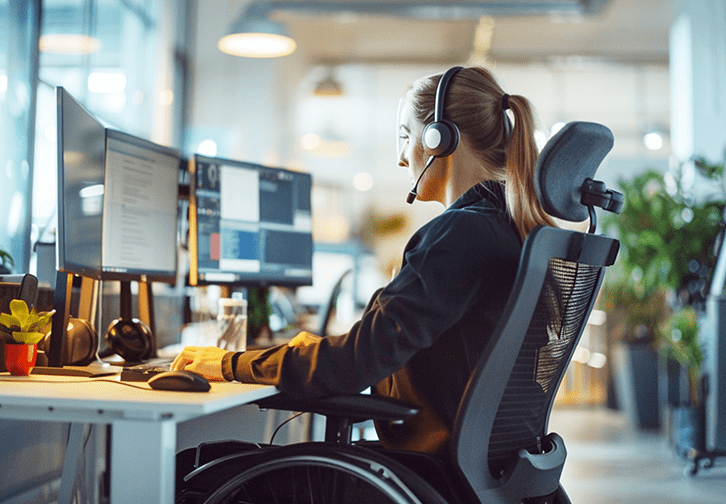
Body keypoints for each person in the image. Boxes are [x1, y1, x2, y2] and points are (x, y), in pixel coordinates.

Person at [172, 65, 555, 455]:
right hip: (476, 472)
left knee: (194, 465)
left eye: (406, 136)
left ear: (439, 139)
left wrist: (230, 363)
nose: (404, 159)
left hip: (422, 476)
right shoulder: (509, 228)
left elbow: (354, 366)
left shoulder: (461, 235)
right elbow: (380, 353)